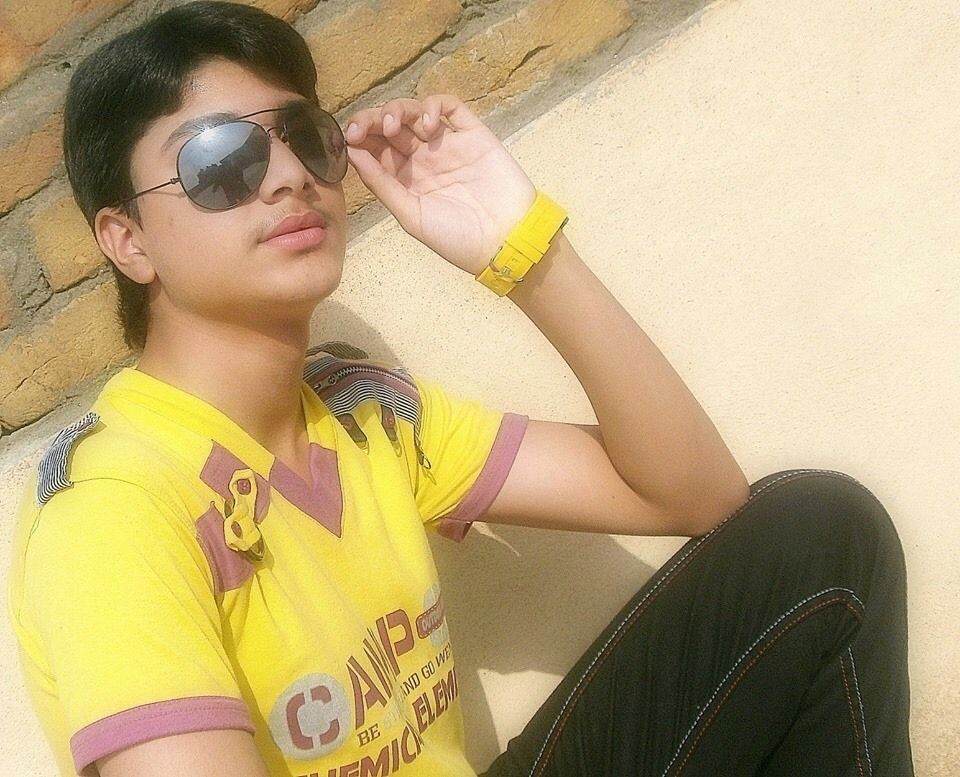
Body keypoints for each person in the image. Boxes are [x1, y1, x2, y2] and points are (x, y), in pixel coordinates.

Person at [5, 2, 914, 776]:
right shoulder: (115, 506)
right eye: (221, 163)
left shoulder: (365, 416)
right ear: (127, 240)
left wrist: (521, 247)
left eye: (306, 139)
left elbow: (694, 494)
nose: (288, 176)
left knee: (821, 537)